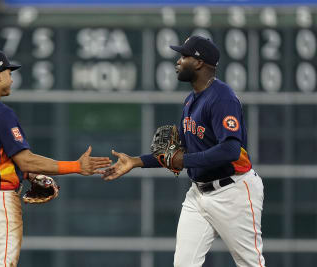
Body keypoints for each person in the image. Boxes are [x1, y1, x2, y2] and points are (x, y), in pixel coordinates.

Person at [102, 36, 265, 267]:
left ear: (198, 63)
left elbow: (230, 149)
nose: (178, 62)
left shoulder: (222, 98)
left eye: (184, 56)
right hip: (198, 194)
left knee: (251, 264)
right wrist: (136, 162)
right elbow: (178, 153)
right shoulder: (191, 100)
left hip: (234, 191)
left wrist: (183, 159)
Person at [0, 50, 111, 267]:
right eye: (8, 72)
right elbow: (26, 160)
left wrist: (22, 174)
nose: (11, 78)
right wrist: (76, 166)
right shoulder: (0, 112)